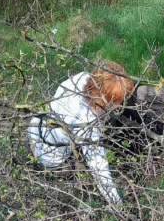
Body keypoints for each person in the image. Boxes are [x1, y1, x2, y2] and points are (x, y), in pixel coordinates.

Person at [27, 60, 133, 205]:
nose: (119, 105)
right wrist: (116, 202)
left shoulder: (82, 78)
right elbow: (98, 167)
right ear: (101, 99)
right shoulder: (85, 122)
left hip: (36, 125)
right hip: (49, 156)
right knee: (77, 175)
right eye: (114, 102)